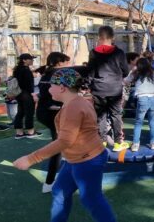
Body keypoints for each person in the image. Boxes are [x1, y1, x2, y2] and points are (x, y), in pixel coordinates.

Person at [12, 68, 116, 222]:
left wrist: (30, 159)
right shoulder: (76, 101)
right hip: (77, 160)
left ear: (62, 88)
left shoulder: (74, 106)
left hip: (87, 160)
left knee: (91, 199)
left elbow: (65, 141)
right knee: (59, 192)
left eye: (51, 85)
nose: (48, 88)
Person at [87, 26, 129, 152]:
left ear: (99, 37)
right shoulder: (119, 53)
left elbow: (90, 72)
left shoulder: (93, 53)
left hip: (99, 88)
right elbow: (125, 71)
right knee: (116, 115)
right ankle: (117, 143)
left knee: (101, 116)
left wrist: (88, 85)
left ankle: (102, 142)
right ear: (113, 37)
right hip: (115, 89)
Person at [35, 52, 71, 193]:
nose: (68, 65)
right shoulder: (58, 73)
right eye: (66, 63)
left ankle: (68, 162)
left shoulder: (47, 72)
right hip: (52, 114)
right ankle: (49, 183)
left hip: (44, 113)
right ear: (59, 62)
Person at [126, 58, 154, 151]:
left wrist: (131, 71)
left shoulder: (136, 73)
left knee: (138, 122)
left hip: (142, 98)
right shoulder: (153, 73)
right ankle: (153, 143)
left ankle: (135, 144)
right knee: (152, 122)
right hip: (153, 98)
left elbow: (125, 81)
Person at [12, 53, 41, 139]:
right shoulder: (25, 70)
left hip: (19, 93)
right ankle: (30, 132)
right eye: (30, 59)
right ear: (24, 60)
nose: (32, 60)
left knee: (20, 112)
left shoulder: (17, 69)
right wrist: (32, 94)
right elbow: (28, 84)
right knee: (29, 112)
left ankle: (19, 132)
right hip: (26, 93)